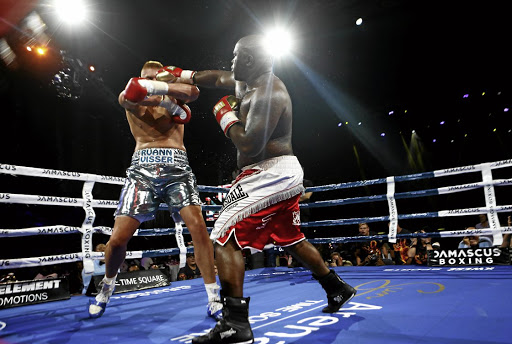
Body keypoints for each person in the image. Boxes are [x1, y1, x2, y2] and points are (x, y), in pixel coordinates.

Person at [167, 35, 356, 343]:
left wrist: (225, 116)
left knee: (224, 238)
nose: (231, 63)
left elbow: (250, 144)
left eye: (235, 56)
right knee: (292, 239)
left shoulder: (270, 93)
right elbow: (216, 77)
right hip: (275, 174)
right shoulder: (246, 82)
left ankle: (235, 325)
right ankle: (336, 288)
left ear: (251, 61)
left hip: (271, 174)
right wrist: (181, 74)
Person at [88, 61, 222, 321]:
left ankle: (213, 295)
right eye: (146, 79)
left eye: (155, 78)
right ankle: (106, 286)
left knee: (198, 228)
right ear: (139, 78)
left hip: (178, 168)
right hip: (142, 170)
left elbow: (194, 93)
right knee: (118, 239)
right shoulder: (131, 96)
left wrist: (167, 90)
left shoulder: (175, 93)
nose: (150, 82)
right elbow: (131, 97)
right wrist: (165, 99)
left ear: (162, 77)